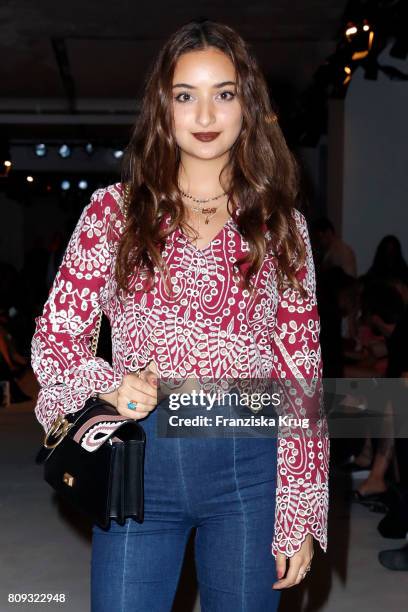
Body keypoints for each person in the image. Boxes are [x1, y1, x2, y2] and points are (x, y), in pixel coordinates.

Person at [31, 20, 329, 611]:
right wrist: (110, 383)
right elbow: (54, 342)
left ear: (247, 104)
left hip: (249, 465)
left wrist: (301, 507)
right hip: (142, 460)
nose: (205, 113)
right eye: (185, 95)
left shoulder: (281, 224)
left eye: (223, 93)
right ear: (162, 108)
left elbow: (301, 375)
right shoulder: (113, 214)